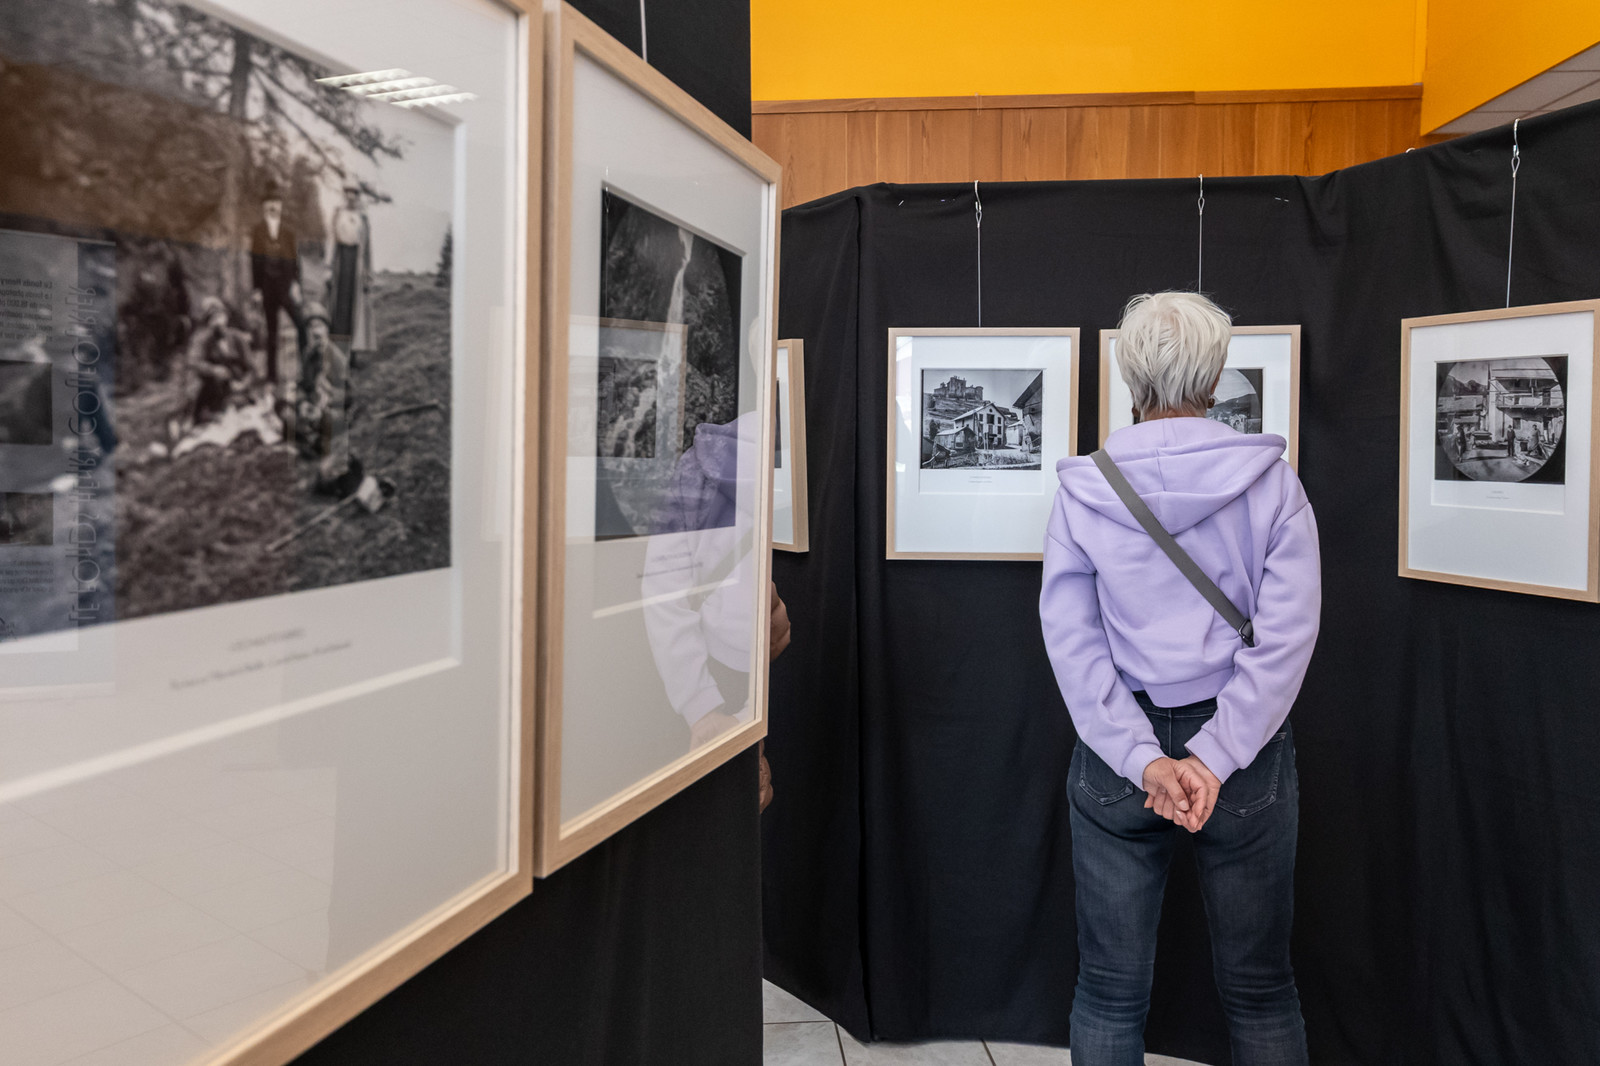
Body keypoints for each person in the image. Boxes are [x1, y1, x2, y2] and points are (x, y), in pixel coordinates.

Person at [1039, 291, 1321, 1066]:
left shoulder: (1084, 489)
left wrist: (1146, 761)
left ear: (1130, 373)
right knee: (1262, 988)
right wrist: (1213, 757)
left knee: (1107, 990)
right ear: (1214, 372)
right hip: (1246, 753)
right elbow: (1287, 640)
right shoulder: (1272, 483)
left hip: (1117, 749)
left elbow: (1074, 644)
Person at [249, 183, 305, 390]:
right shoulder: (258, 231)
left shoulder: (288, 232)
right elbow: (254, 261)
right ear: (264, 206)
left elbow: (296, 261)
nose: (273, 206)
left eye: (276, 203)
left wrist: (296, 285)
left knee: (301, 325)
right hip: (267, 288)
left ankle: (305, 372)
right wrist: (256, 290)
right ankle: (272, 377)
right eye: (270, 203)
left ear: (281, 206)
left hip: (286, 287)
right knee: (272, 332)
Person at [325, 183, 375, 355]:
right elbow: (332, 242)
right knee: (338, 304)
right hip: (341, 259)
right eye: (348, 193)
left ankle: (353, 350)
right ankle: (335, 346)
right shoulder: (338, 214)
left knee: (355, 305)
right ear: (344, 195)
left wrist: (368, 274)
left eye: (354, 193)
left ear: (358, 196)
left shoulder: (363, 217)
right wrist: (329, 268)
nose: (351, 196)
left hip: (356, 261)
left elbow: (367, 247)